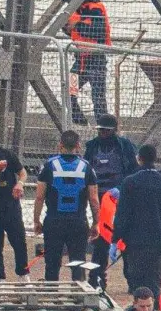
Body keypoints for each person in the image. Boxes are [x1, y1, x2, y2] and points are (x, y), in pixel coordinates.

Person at [112, 144, 161, 307]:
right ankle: (154, 310)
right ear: (156, 159)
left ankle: (138, 310)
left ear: (139, 159)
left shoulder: (130, 183)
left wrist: (114, 240)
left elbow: (122, 214)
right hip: (157, 240)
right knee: (154, 281)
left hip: (135, 241)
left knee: (136, 280)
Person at [33, 130, 99, 282]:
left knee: (52, 262)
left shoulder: (48, 166)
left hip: (54, 220)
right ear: (78, 146)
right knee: (78, 262)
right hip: (78, 221)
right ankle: (79, 298)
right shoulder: (87, 167)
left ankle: (51, 296)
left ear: (60, 146)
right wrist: (96, 223)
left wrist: (37, 220)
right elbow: (94, 199)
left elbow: (39, 196)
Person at [83, 114, 138, 288]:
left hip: (120, 199)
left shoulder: (125, 147)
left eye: (106, 130)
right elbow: (86, 170)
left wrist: (121, 189)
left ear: (114, 130)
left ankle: (133, 280)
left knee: (125, 239)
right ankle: (96, 280)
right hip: (99, 199)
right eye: (100, 130)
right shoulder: (92, 147)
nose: (103, 133)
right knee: (100, 241)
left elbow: (133, 172)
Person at [60, 0, 110, 125]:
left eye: (69, 1)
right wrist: (68, 28)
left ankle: (103, 128)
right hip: (81, 60)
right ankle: (80, 121)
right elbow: (75, 33)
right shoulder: (78, 10)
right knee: (69, 90)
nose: (69, 5)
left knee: (98, 98)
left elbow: (99, 31)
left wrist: (77, 25)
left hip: (96, 60)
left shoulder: (95, 8)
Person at [0, 127, 31, 282]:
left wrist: (20, 184)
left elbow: (23, 172)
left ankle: (23, 274)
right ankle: (0, 277)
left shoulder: (6, 154)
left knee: (19, 240)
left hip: (10, 204)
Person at [90, 187, 125, 290]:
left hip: (110, 194)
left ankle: (96, 279)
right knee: (101, 249)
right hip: (105, 197)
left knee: (100, 250)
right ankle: (96, 279)